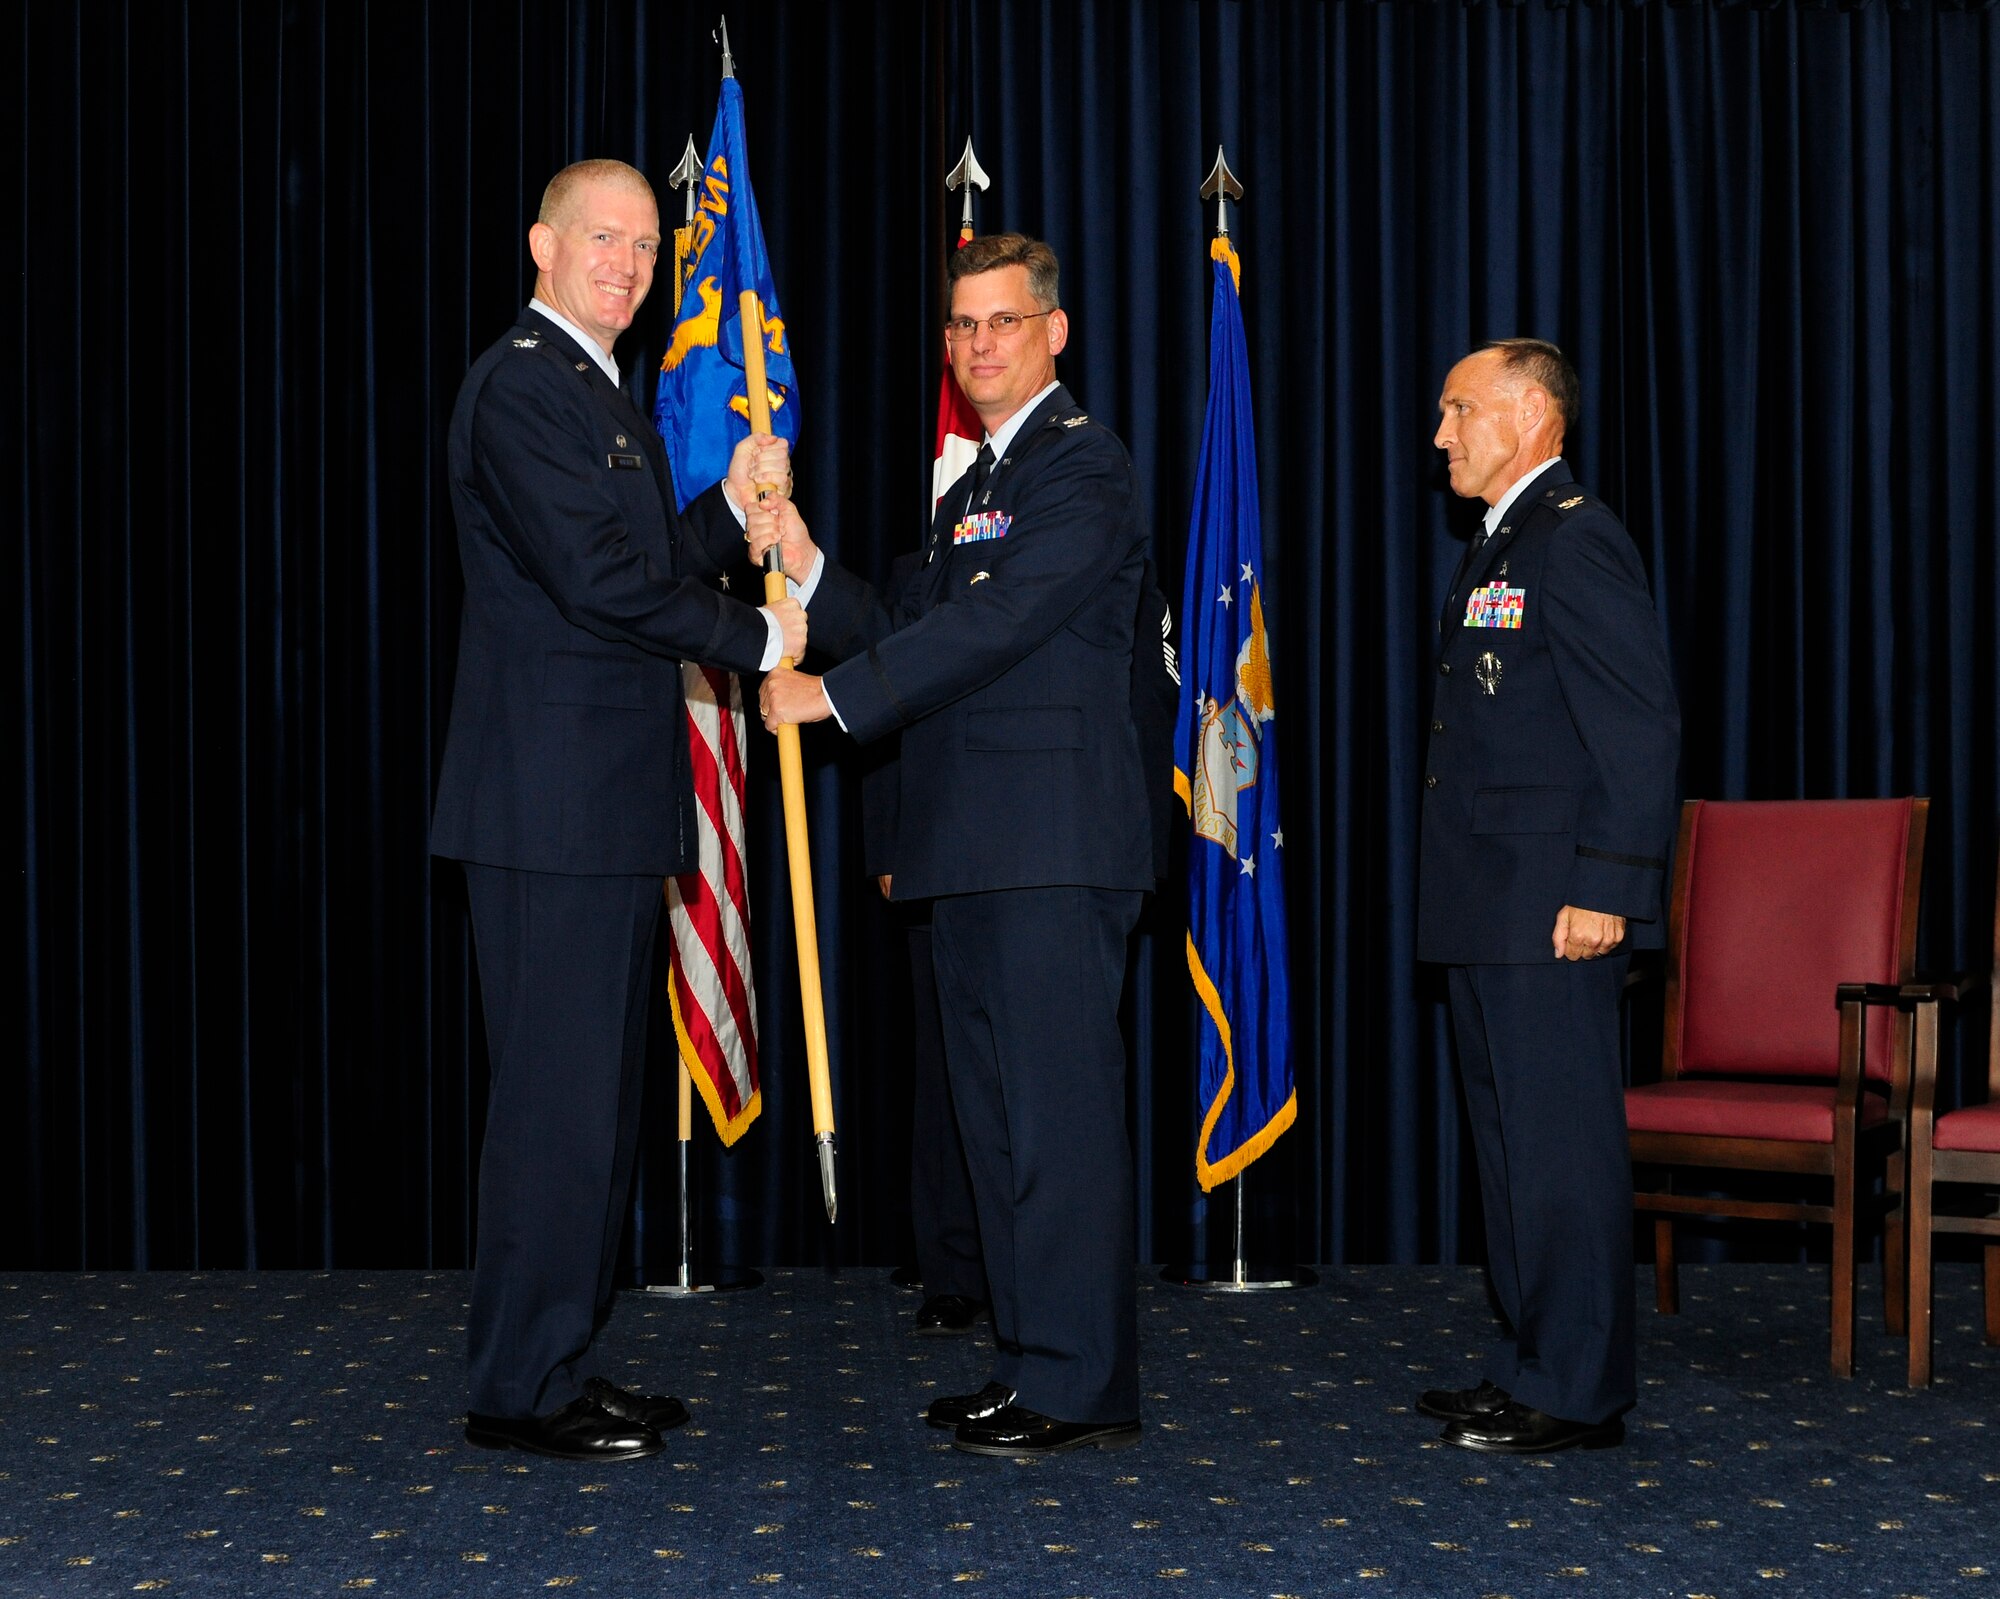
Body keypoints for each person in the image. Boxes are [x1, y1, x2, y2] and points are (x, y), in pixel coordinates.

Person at [754, 233, 1152, 1457]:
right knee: (994, 1130)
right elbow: (912, 618)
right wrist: (810, 561)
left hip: (1049, 846)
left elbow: (999, 624)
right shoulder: (977, 483)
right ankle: (1033, 1363)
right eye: (962, 327)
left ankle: (1079, 1378)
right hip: (970, 850)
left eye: (1002, 323)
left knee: (1055, 1131)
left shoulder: (1081, 472)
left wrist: (831, 699)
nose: (980, 345)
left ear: (1054, 330)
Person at [432, 158, 803, 1463]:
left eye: (647, 243)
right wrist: (759, 636)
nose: (630, 261)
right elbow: (600, 588)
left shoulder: (602, 392)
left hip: (598, 806)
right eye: (604, 235)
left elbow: (640, 562)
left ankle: (557, 1357)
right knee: (554, 1106)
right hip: (546, 809)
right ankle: (519, 1385)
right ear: (541, 242)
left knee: (591, 1107)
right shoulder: (525, 387)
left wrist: (730, 503)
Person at [1417, 338, 1680, 1454]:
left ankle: (1576, 1390)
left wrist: (1608, 888)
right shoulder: (1502, 543)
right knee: (1508, 1147)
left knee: (1559, 1150)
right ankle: (1527, 1358)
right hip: (1490, 898)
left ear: (1528, 414)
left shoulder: (1575, 542)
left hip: (1552, 905)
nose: (1440, 436)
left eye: (1457, 410)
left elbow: (1637, 723)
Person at [858, 550, 992, 1339]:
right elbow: (887, 701)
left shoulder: (1063, 538)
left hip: (1028, 853)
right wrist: (887, 840)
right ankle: (948, 1267)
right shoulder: (915, 575)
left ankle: (1019, 1272)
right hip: (931, 850)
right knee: (942, 1075)